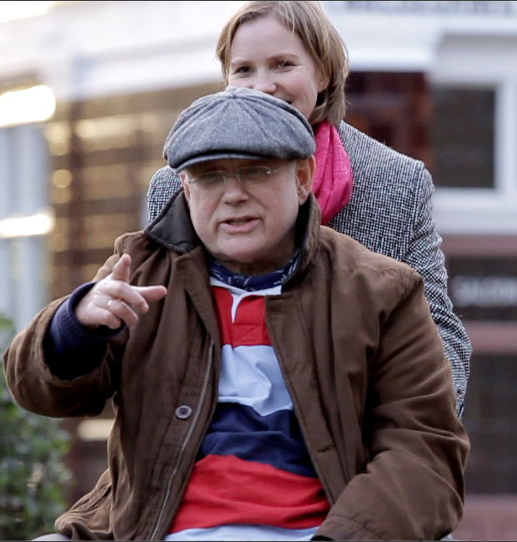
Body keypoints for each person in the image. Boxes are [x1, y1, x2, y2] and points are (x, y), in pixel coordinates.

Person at [5, 87, 469, 540]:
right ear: (185, 188)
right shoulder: (142, 272)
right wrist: (76, 325)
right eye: (209, 176)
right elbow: (41, 393)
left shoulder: (380, 291)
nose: (233, 195)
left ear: (303, 178)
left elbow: (424, 451)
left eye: (256, 171)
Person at [145, 1, 471, 415]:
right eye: (244, 70)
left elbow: (439, 333)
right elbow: (152, 327)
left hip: (347, 440)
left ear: (325, 72)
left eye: (282, 65)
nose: (262, 86)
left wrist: (409, 439)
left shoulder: (395, 184)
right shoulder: (176, 184)